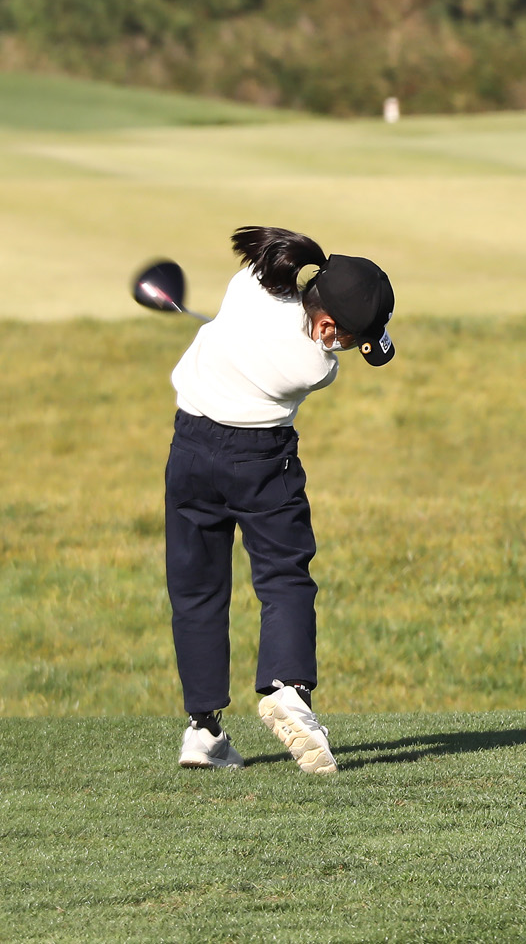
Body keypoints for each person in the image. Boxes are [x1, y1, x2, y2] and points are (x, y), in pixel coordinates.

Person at [168, 226, 396, 775]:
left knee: (197, 587)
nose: (345, 349)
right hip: (260, 460)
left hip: (190, 452)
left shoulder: (250, 284)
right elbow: (308, 343)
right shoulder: (316, 367)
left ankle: (203, 730)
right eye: (349, 338)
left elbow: (274, 285)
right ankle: (289, 691)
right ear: (324, 326)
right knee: (284, 575)